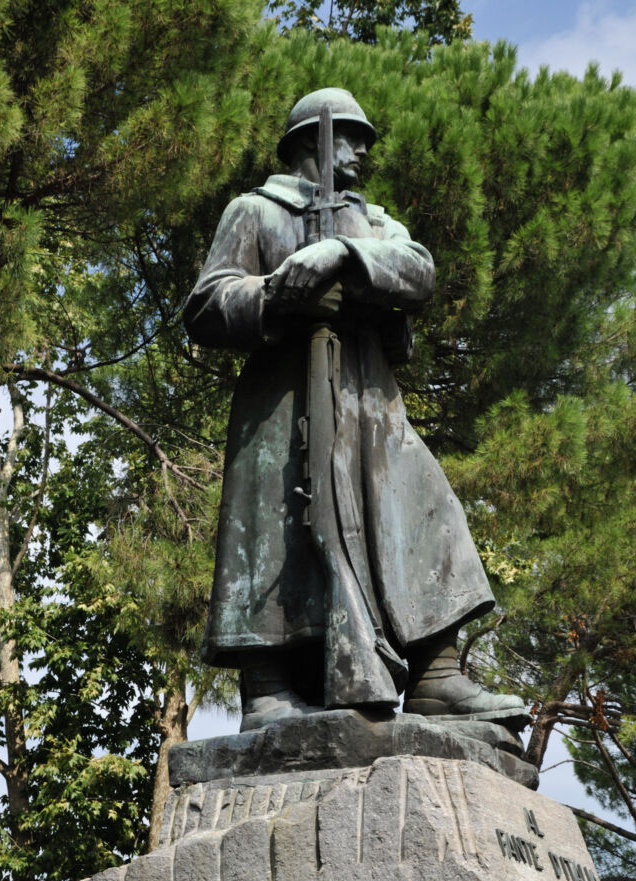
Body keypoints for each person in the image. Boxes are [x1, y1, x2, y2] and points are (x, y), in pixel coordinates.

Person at [184, 88, 527, 732]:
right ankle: (267, 686)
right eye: (351, 135)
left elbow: (419, 270)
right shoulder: (254, 211)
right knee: (275, 530)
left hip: (372, 408)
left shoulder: (375, 223)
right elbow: (207, 305)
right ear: (310, 140)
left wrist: (342, 254)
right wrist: (280, 294)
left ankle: (435, 675)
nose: (364, 150)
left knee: (426, 510)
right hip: (283, 405)